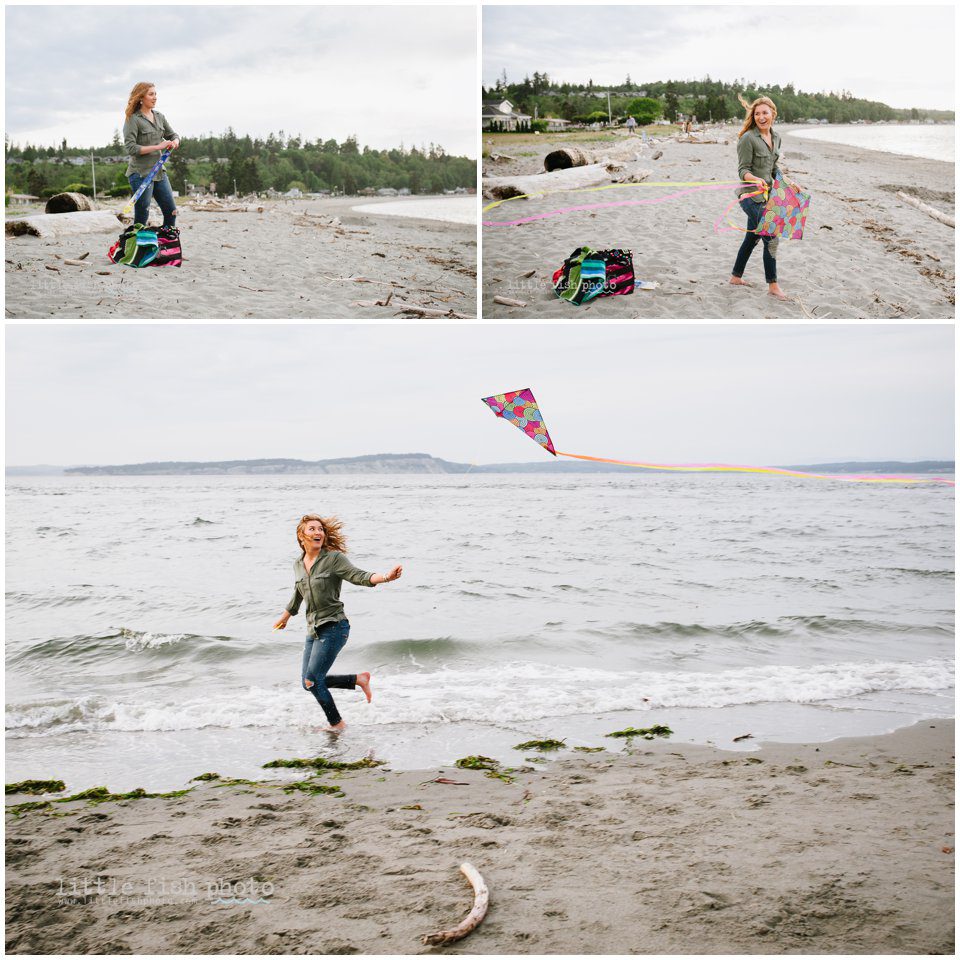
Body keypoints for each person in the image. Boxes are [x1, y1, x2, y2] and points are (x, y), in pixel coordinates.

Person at [273, 514, 402, 732]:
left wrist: (386, 577)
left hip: (334, 626)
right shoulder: (298, 564)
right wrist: (285, 617)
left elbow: (358, 576)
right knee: (307, 682)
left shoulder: (333, 559)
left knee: (313, 681)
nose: (318, 532)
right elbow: (298, 592)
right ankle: (358, 679)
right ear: (301, 536)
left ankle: (337, 724)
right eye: (312, 529)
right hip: (313, 629)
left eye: (320, 529)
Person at [729, 94, 789, 301]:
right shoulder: (747, 138)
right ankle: (773, 286)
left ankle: (736, 277)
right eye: (757, 114)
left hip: (767, 196)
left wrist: (789, 182)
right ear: (753, 117)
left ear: (773, 114)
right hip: (750, 196)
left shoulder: (776, 137)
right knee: (771, 237)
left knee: (752, 237)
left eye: (765, 113)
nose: (761, 117)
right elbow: (742, 170)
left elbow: (773, 168)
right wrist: (755, 179)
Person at [123, 82, 180, 229]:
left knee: (171, 212)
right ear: (141, 98)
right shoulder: (132, 119)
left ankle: (166, 241)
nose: (155, 97)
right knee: (142, 215)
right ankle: (138, 243)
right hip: (140, 174)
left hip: (159, 172)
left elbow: (173, 135)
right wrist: (158, 147)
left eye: (155, 94)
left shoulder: (160, 116)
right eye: (151, 94)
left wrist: (175, 141)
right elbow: (131, 148)